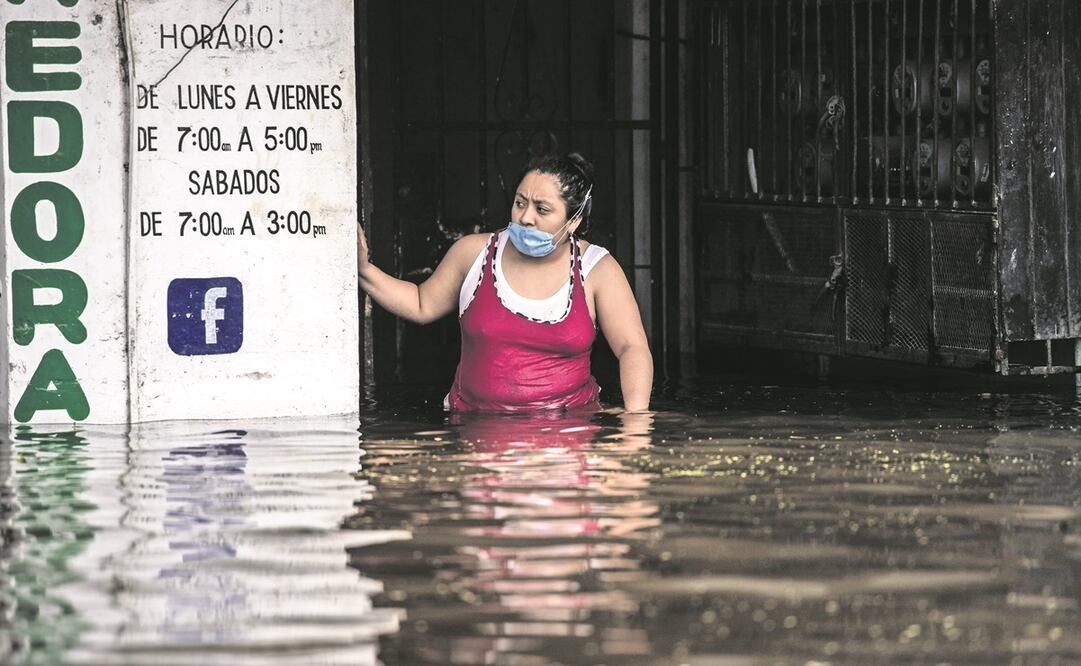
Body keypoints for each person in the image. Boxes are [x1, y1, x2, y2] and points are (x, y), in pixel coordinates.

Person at [356, 152, 652, 412]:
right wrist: (364, 270)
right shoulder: (473, 253)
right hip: (475, 428)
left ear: (573, 220)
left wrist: (636, 424)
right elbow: (421, 304)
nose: (526, 217)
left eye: (542, 209)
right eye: (520, 203)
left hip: (568, 430)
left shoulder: (597, 269)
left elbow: (631, 347)